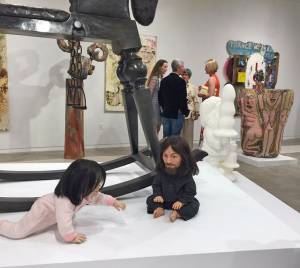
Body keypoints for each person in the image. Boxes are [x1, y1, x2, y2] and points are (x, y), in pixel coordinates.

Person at [0, 159, 126, 244]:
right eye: (95, 184)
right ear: (79, 183)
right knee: (18, 232)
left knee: (60, 219)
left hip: (54, 214)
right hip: (42, 211)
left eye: (99, 184)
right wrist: (71, 236)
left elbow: (99, 197)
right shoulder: (64, 202)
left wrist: (113, 202)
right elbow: (64, 220)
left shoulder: (85, 194)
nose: (98, 188)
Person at [146, 136, 200, 222]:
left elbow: (190, 191)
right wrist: (158, 195)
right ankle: (159, 208)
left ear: (183, 158)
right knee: (149, 199)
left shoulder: (186, 175)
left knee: (194, 205)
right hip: (163, 200)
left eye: (174, 157)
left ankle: (177, 213)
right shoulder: (162, 171)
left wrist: (182, 201)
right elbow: (156, 184)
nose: (168, 161)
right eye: (165, 156)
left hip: (180, 203)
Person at [158, 59, 190, 138]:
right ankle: (173, 151)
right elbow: (182, 99)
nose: (184, 69)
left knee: (166, 137)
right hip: (177, 113)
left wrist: (163, 108)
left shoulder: (163, 81)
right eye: (182, 67)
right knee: (175, 139)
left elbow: (160, 97)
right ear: (178, 68)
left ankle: (165, 150)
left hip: (166, 113)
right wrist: (186, 111)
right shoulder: (181, 81)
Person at [198, 59, 220, 144]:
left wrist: (200, 94)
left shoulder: (211, 79)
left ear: (210, 68)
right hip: (214, 108)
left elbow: (210, 96)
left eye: (206, 67)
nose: (204, 69)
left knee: (207, 129)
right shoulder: (216, 78)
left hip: (209, 109)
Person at [146, 59, 169, 134]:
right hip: (154, 105)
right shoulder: (154, 78)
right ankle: (153, 145)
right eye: (165, 67)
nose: (166, 69)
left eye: (167, 67)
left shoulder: (160, 78)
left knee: (158, 126)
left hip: (159, 106)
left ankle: (155, 144)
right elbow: (149, 93)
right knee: (154, 127)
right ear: (159, 67)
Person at [181, 68, 200, 149]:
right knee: (180, 134)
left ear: (189, 76)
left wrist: (197, 112)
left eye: (186, 75)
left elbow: (196, 100)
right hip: (180, 113)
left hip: (190, 113)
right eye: (183, 74)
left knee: (189, 134)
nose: (184, 76)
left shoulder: (193, 87)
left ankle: (189, 151)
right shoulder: (178, 85)